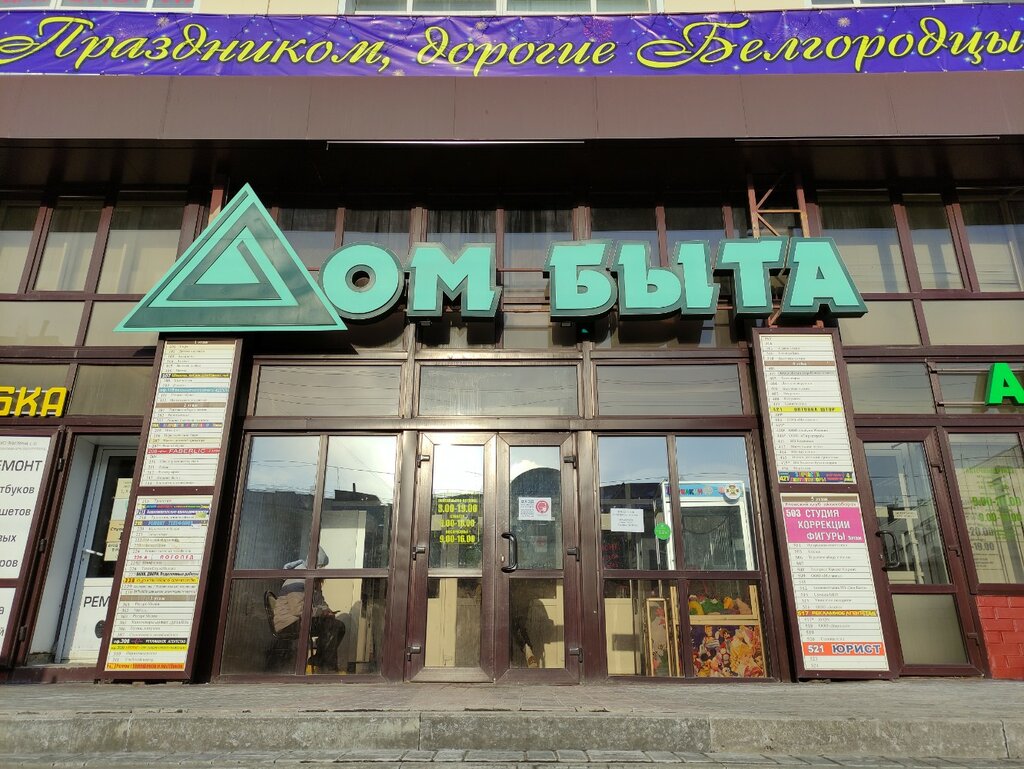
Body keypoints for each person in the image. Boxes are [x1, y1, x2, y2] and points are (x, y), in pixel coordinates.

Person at [274, 546, 345, 673]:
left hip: (302, 619)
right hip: (288, 622)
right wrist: (321, 612)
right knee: (332, 625)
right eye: (322, 566)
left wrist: (327, 610)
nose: (324, 570)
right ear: (314, 565)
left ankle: (320, 659)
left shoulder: (314, 580)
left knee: (339, 626)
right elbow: (298, 610)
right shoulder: (297, 579)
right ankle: (327, 667)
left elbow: (320, 601)